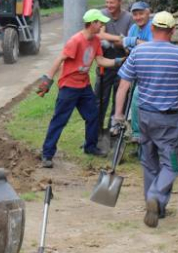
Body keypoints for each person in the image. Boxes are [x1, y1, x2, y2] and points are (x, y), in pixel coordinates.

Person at [112, 11, 178, 228]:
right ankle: (155, 195)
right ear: (172, 31)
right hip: (167, 120)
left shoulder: (138, 53)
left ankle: (155, 207)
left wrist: (117, 115)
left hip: (143, 117)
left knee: (148, 161)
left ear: (152, 29)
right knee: (171, 165)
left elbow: (123, 86)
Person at [36, 9, 125, 168]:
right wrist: (48, 79)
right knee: (59, 120)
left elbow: (101, 60)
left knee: (93, 116)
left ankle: (90, 147)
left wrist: (120, 61)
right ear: (92, 24)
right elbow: (60, 58)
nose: (102, 25)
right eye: (100, 23)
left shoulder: (96, 40)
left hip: (84, 86)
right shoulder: (76, 40)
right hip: (69, 87)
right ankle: (47, 154)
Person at [95, 0, 133, 138]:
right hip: (104, 59)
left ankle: (114, 129)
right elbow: (100, 35)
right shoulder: (102, 14)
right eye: (107, 2)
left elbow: (128, 43)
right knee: (100, 98)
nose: (109, 5)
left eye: (112, 2)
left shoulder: (128, 18)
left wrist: (115, 40)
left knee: (119, 96)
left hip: (123, 60)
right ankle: (97, 130)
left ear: (119, 2)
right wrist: (119, 38)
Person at [123, 1, 153, 144]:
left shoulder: (153, 27)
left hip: (151, 72)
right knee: (132, 100)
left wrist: (134, 41)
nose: (138, 17)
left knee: (136, 99)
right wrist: (131, 44)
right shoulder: (133, 28)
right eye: (135, 14)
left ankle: (139, 135)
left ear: (148, 12)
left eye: (141, 13)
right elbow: (127, 48)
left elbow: (154, 47)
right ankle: (137, 135)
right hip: (136, 70)